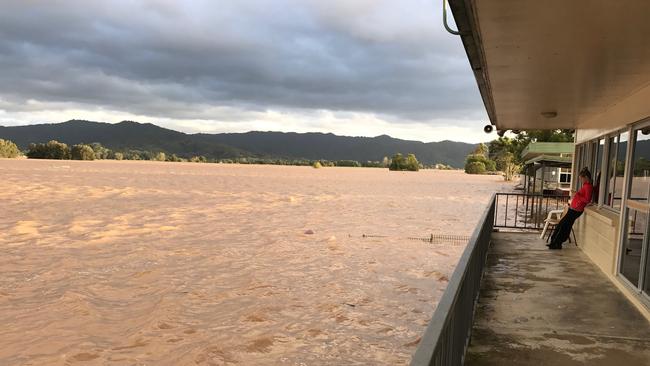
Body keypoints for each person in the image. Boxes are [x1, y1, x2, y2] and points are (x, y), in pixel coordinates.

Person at [548, 167, 593, 249]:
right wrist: (577, 195)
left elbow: (587, 200)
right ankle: (554, 241)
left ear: (586, 177)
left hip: (576, 210)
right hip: (573, 208)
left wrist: (577, 194)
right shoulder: (585, 185)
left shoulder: (588, 187)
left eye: (581, 179)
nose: (581, 180)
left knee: (565, 226)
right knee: (562, 224)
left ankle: (557, 243)